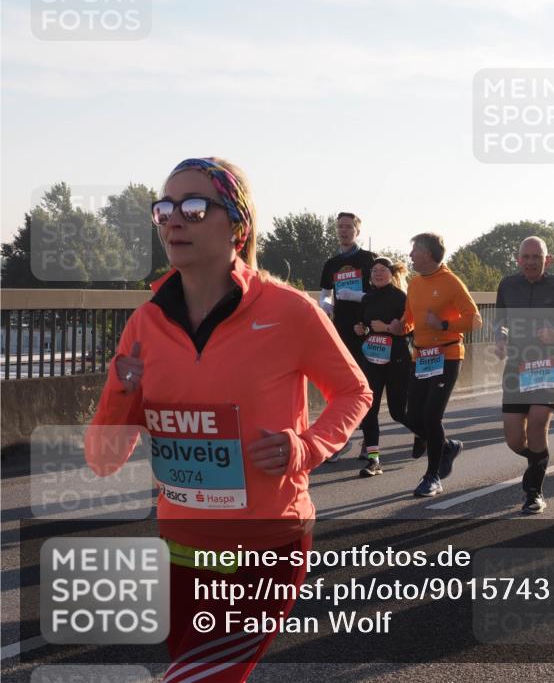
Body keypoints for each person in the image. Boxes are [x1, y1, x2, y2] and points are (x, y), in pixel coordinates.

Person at [85, 157, 372, 682]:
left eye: (195, 208)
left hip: (266, 547)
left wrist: (306, 448)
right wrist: (122, 393)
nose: (175, 220)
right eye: (165, 209)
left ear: (237, 226)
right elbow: (103, 460)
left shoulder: (288, 311)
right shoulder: (145, 323)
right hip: (179, 551)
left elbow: (354, 391)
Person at [386, 233, 482, 497]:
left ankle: (433, 477)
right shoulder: (415, 283)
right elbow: (409, 319)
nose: (410, 255)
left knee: (431, 415)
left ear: (428, 254)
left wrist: (443, 324)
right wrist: (399, 327)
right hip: (421, 357)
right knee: (411, 415)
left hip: (447, 355)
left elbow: (475, 320)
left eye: (414, 250)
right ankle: (447, 446)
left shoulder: (451, 282)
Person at [494, 237, 554, 513]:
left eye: (537, 257)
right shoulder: (507, 285)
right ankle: (537, 461)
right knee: (514, 439)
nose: (531, 262)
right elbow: (500, 321)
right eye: (526, 257)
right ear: (518, 259)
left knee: (538, 423)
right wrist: (500, 338)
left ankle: (534, 491)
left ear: (547, 260)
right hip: (517, 365)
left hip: (548, 364)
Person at [318, 212, 377, 459]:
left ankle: (369, 439)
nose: (343, 231)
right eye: (340, 227)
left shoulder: (369, 259)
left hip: (366, 328)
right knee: (343, 385)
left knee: (367, 383)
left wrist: (360, 297)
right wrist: (325, 305)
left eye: (348, 227)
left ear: (357, 231)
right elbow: (325, 293)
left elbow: (381, 292)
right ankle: (341, 439)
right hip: (341, 329)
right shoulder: (331, 263)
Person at [353, 257, 411, 476]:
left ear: (391, 274)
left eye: (382, 270)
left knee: (398, 412)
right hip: (372, 358)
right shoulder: (367, 298)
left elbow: (411, 329)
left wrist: (387, 328)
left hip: (397, 359)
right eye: (374, 270)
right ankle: (373, 460)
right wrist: (361, 329)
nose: (378, 274)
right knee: (369, 408)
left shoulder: (400, 297)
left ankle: (431, 436)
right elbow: (366, 325)